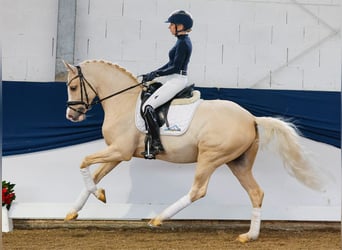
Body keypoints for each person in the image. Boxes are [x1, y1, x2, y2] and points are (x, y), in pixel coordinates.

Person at [141, 10, 193, 159]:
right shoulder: (180, 41)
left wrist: (156, 74)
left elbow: (175, 67)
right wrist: (154, 72)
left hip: (177, 80)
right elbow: (170, 64)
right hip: (173, 78)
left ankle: (156, 144)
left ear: (180, 26)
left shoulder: (184, 43)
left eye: (172, 24)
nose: (169, 27)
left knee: (148, 107)